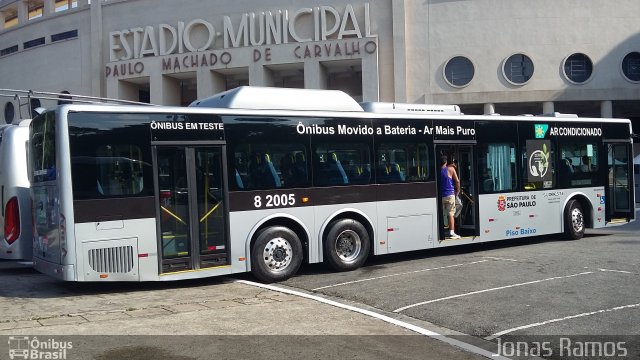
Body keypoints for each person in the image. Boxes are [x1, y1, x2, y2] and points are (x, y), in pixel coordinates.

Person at [440, 155, 461, 239]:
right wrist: (457, 191)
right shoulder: (451, 169)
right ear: (446, 161)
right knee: (451, 214)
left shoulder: (437, 170)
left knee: (441, 214)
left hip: (440, 196)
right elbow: (457, 181)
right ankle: (451, 232)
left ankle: (441, 231)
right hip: (450, 195)